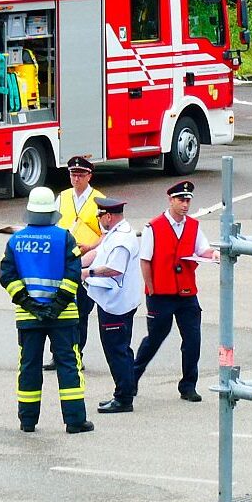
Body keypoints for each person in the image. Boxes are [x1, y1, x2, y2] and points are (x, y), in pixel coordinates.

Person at [0, 186, 93, 434]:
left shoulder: (15, 240)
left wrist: (29, 304)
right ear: (52, 212)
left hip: (28, 317)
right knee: (68, 365)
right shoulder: (64, 238)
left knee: (29, 366)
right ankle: (75, 421)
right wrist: (57, 304)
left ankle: (27, 421)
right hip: (64, 317)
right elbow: (73, 274)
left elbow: (7, 276)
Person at [133, 181, 219, 402]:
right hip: (160, 294)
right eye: (181, 200)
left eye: (188, 200)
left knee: (192, 340)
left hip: (186, 293)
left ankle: (188, 385)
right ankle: (131, 379)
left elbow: (202, 249)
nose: (185, 205)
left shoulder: (193, 225)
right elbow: (145, 260)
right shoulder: (153, 227)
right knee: (155, 338)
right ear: (170, 200)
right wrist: (151, 289)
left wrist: (213, 254)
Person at [83, 197, 143, 413]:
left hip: (116, 305)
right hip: (115, 301)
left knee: (116, 351)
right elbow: (98, 253)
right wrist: (75, 264)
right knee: (122, 349)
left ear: (108, 216)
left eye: (99, 216)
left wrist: (86, 273)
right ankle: (126, 389)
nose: (98, 220)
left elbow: (115, 269)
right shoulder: (116, 233)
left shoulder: (122, 240)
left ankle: (123, 398)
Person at [44, 156, 104, 371]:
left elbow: (107, 235)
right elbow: (51, 226)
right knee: (58, 308)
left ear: (89, 176)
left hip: (86, 262)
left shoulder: (99, 200)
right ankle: (57, 354)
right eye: (73, 174)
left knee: (81, 311)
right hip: (62, 261)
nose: (76, 179)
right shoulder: (62, 197)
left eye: (80, 175)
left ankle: (77, 354)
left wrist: (90, 247)